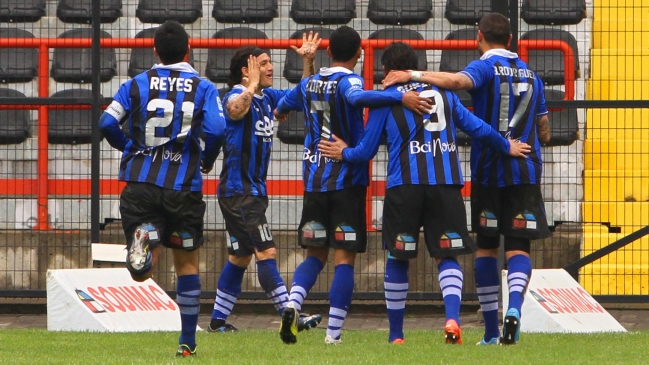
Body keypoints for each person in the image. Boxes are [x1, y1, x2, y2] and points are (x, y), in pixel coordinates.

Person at [318, 41, 531, 345]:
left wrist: (344, 152)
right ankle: (453, 319)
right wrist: (506, 145)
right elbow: (477, 127)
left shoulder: (387, 101)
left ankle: (396, 336)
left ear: (386, 71)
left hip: (403, 187)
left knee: (397, 257)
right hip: (446, 186)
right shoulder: (445, 94)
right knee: (448, 256)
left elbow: (365, 151)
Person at [382, 13, 552, 345]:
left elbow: (459, 84)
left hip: (490, 171)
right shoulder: (534, 77)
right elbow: (544, 131)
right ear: (512, 39)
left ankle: (490, 332)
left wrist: (412, 75)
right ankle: (514, 308)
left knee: (486, 249)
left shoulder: (485, 67)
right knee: (518, 249)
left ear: (479, 36)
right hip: (526, 169)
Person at [275, 25, 432, 345]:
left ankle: (292, 303)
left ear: (328, 52)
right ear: (359, 54)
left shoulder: (309, 84)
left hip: (314, 182)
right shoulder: (351, 81)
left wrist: (307, 68)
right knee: (345, 258)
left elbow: (281, 108)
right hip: (347, 182)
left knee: (314, 256)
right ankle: (333, 335)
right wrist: (399, 96)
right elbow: (356, 97)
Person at [98, 21, 225, 357]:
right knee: (187, 264)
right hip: (183, 188)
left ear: (155, 51)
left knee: (142, 274)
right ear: (189, 51)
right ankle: (187, 343)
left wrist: (127, 145)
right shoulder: (204, 87)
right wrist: (207, 160)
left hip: (140, 184)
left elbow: (106, 122)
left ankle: (147, 234)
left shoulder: (136, 84)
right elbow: (217, 128)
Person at [208, 33, 324, 333]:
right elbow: (235, 110)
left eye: (271, 62)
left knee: (240, 256)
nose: (270, 67)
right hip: (239, 191)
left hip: (253, 191)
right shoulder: (235, 94)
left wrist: (308, 62)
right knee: (267, 252)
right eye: (263, 63)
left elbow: (302, 94)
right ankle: (291, 315)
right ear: (247, 70)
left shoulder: (269, 98)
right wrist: (251, 86)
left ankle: (218, 322)